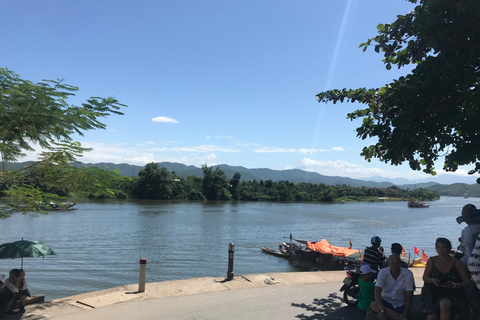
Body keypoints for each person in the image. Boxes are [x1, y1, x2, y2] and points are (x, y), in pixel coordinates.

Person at [421, 237, 471, 319]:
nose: (440, 250)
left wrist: (455, 285)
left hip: (452, 292)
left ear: (449, 248)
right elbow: (425, 277)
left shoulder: (456, 262)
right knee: (431, 315)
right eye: (438, 247)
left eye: (443, 247)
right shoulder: (432, 260)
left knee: (444, 304)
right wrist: (432, 280)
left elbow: (466, 281)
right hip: (434, 291)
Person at [370, 254, 415, 320]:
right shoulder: (383, 272)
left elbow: (409, 295)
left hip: (400, 304)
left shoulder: (408, 274)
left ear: (400, 263)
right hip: (385, 302)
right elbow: (377, 292)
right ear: (388, 264)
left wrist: (405, 314)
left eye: (397, 264)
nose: (394, 266)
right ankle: (398, 317)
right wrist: (382, 310)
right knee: (373, 305)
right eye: (392, 264)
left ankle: (398, 316)